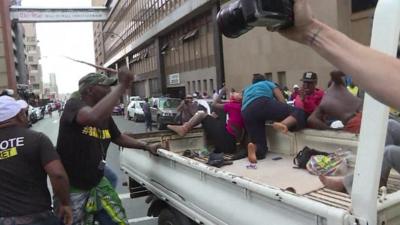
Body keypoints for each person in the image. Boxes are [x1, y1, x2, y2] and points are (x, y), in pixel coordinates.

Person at [56, 70, 160, 225]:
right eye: (105, 86)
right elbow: (92, 117)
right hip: (74, 188)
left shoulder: (104, 115)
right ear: (90, 90)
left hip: (97, 183)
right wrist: (122, 86)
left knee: (118, 221)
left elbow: (117, 137)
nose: (109, 90)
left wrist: (146, 146)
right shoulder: (74, 105)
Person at [279, 0, 400, 110]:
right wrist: (310, 31)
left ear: (315, 83)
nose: (305, 85)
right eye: (305, 82)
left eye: (309, 83)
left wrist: (311, 33)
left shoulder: (321, 95)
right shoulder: (298, 95)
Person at [0, 96, 72, 225]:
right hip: (38, 217)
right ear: (19, 115)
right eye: (24, 112)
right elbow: (58, 175)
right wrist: (65, 203)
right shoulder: (36, 139)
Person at [167, 87, 244, 167]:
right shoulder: (238, 106)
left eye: (239, 93)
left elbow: (214, 104)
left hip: (226, 140)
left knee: (201, 114)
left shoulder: (233, 106)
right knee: (210, 118)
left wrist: (222, 92)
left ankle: (184, 129)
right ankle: (185, 127)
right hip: (230, 143)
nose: (236, 93)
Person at [241, 74, 307, 163]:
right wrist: (279, 113)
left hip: (246, 111)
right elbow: (282, 101)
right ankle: (284, 124)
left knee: (261, 147)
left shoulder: (247, 89)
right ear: (264, 79)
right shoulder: (268, 83)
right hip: (262, 103)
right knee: (299, 112)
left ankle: (255, 148)